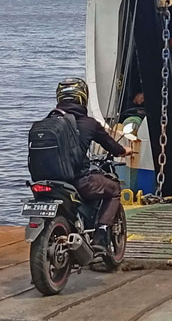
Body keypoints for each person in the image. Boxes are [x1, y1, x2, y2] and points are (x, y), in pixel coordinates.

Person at [54, 78, 132, 249]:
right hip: (78, 180)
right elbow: (110, 145)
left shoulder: (50, 121)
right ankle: (102, 232)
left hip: (47, 180)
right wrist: (124, 151)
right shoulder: (89, 123)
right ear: (82, 98)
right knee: (114, 189)